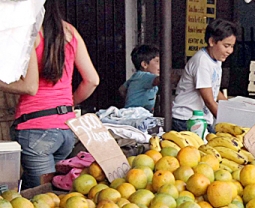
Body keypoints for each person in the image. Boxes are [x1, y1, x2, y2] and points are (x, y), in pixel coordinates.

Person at [12, 0, 99, 189]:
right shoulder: (70, 32)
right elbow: (92, 80)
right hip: (66, 130)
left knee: (40, 198)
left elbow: (30, 86)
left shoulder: (30, 32)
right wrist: (67, 105)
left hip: (36, 130)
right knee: (54, 196)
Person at [171, 19, 238, 132]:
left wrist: (230, 108)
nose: (230, 51)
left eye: (232, 46)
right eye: (226, 46)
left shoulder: (216, 59)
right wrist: (231, 124)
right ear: (212, 41)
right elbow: (209, 101)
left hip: (201, 119)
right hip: (186, 119)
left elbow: (214, 91)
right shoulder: (202, 61)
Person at [119, 44, 160, 113]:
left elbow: (121, 89)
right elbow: (161, 80)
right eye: (157, 61)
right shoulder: (145, 76)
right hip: (137, 115)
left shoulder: (137, 76)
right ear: (144, 64)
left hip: (130, 112)